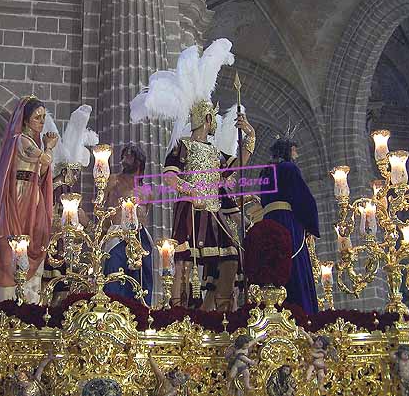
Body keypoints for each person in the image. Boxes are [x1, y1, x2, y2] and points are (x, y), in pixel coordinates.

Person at [129, 40, 254, 312]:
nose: (213, 123)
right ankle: (179, 308)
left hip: (214, 212)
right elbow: (169, 178)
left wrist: (250, 136)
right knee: (184, 260)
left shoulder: (214, 151)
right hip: (190, 209)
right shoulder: (182, 146)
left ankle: (222, 310)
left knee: (230, 254)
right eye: (211, 118)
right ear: (206, 119)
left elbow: (237, 166)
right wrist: (193, 191)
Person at [0, 95, 58, 305]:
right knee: (13, 238)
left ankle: (29, 293)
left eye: (43, 117)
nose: (41, 122)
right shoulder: (20, 141)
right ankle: (7, 293)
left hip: (32, 196)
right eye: (37, 117)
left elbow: (40, 171)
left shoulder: (31, 141)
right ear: (25, 120)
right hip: (19, 196)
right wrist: (50, 146)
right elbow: (44, 158)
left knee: (35, 238)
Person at [259, 128, 319, 315]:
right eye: (295, 150)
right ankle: (301, 311)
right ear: (289, 150)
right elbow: (302, 198)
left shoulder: (265, 172)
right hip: (287, 222)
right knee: (295, 266)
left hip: (269, 221)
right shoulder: (289, 168)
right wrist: (310, 224)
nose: (297, 154)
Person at [42, 105, 97, 304]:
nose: (76, 177)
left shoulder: (69, 193)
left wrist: (86, 224)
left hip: (67, 249)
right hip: (52, 246)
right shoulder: (58, 190)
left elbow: (83, 225)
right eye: (75, 173)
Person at [102, 144, 161, 307]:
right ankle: (111, 312)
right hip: (116, 235)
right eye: (124, 155)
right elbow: (100, 206)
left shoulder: (147, 190)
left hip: (139, 236)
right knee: (114, 272)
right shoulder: (113, 180)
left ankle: (140, 314)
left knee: (142, 277)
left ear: (139, 161)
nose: (124, 159)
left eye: (129, 156)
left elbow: (145, 216)